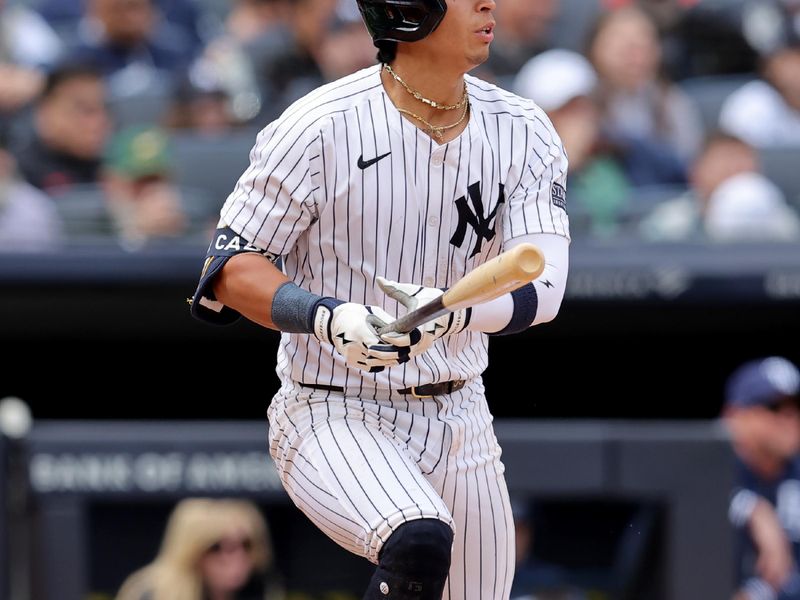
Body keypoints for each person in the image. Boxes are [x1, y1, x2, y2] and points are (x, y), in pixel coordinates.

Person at [188, 0, 571, 598]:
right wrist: (327, 316)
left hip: (462, 415)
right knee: (417, 539)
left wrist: (446, 313)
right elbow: (229, 269)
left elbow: (542, 288)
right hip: (335, 408)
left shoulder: (523, 128)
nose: (488, 4)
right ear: (409, 9)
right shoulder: (317, 124)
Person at [722, 357, 800, 600]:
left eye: (796, 405)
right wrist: (752, 508)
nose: (790, 416)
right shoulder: (707, 472)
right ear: (735, 415)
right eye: (774, 406)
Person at [637, 131, 800, 242]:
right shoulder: (672, 221)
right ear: (696, 173)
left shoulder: (782, 218)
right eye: (724, 161)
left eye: (742, 161)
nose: (735, 169)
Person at [116, 497, 285, 600]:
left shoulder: (262, 590)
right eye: (216, 547)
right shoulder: (151, 593)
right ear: (191, 550)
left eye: (245, 544)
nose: (234, 557)